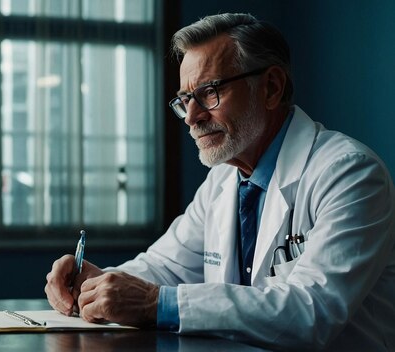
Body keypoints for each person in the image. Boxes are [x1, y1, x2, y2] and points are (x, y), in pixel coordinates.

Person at [44, 13, 395, 350]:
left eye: (209, 92)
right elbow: (165, 267)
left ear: (271, 87)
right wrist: (96, 282)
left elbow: (312, 311)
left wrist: (156, 303)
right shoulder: (223, 179)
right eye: (185, 100)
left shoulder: (350, 174)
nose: (192, 117)